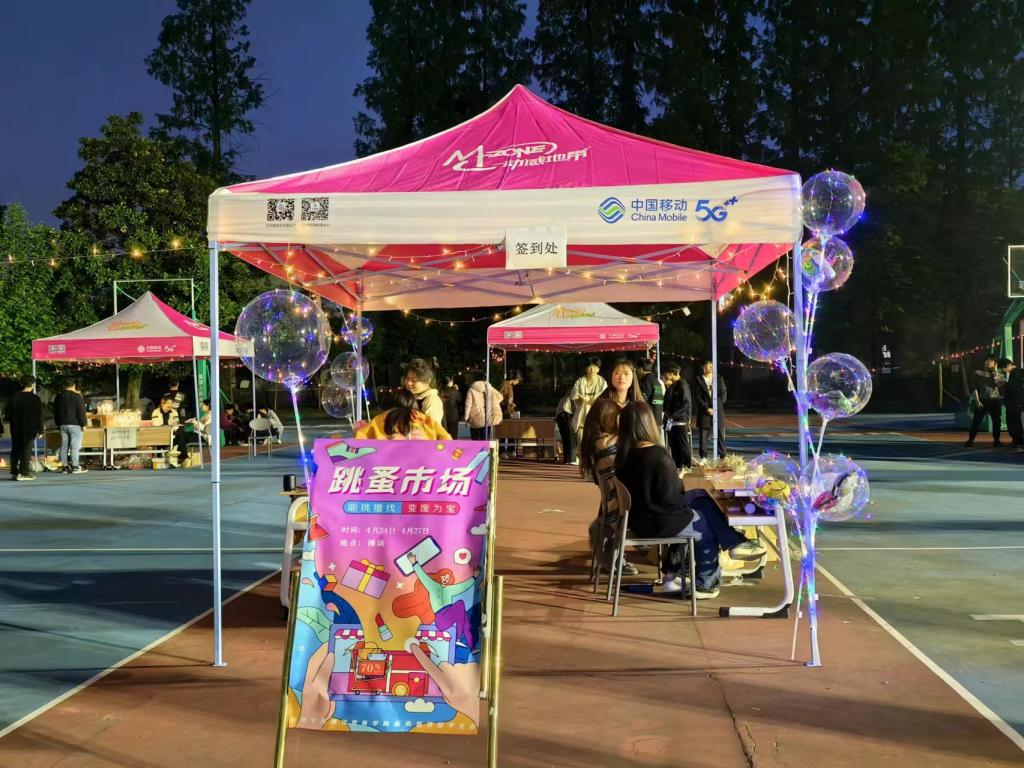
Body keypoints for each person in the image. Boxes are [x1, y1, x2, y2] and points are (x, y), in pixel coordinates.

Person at [614, 402, 764, 598]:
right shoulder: (657, 455)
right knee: (706, 525)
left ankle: (735, 542)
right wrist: (678, 480)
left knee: (700, 496)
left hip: (640, 518)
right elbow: (672, 499)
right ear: (648, 424)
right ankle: (707, 583)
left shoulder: (623, 457)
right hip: (659, 521)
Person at [357, 390, 451, 439]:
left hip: (388, 467)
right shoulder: (423, 418)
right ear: (413, 403)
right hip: (422, 467)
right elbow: (446, 438)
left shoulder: (380, 418)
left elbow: (360, 437)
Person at [6, 376, 44, 481]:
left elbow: (7, 414)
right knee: (26, 449)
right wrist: (41, 429)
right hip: (30, 427)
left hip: (16, 426)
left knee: (16, 448)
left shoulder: (14, 397)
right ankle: (24, 472)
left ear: (21, 384)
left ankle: (14, 471)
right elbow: (39, 416)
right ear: (33, 384)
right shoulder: (35, 399)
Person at [570, 358, 607, 464]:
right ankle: (583, 464)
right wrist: (580, 397)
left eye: (594, 368)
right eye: (589, 368)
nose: (592, 370)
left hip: (596, 418)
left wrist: (595, 399)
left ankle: (594, 464)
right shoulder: (580, 381)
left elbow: (605, 397)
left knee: (595, 444)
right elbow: (573, 394)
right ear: (586, 369)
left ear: (598, 369)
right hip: (582, 418)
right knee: (581, 444)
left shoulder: (602, 382)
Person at [966, 354, 1006, 447]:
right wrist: (977, 401)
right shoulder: (978, 372)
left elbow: (1000, 385)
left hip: (995, 401)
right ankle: (971, 440)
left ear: (995, 363)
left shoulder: (999, 374)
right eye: (986, 360)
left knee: (996, 422)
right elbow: (974, 387)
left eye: (991, 361)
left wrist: (996, 372)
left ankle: (996, 440)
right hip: (982, 401)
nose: (988, 362)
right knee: (976, 421)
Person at [693, 361, 727, 459]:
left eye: (712, 366)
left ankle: (722, 456)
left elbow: (723, 394)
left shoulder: (718, 378)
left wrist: (715, 408)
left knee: (720, 434)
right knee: (703, 436)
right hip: (704, 412)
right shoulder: (698, 379)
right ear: (704, 367)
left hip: (717, 411)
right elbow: (697, 396)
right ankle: (703, 457)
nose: (711, 367)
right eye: (709, 366)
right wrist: (707, 408)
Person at [54, 379, 88, 474]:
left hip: (62, 424)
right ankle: (75, 466)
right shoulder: (77, 397)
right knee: (75, 446)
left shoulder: (58, 397)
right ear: (73, 385)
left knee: (64, 445)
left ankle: (65, 467)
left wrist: (58, 423)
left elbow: (55, 411)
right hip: (75, 424)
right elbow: (81, 411)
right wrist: (84, 424)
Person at [663, 364, 693, 469]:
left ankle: (687, 466)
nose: (665, 376)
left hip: (680, 421)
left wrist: (673, 415)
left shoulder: (683, 385)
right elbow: (666, 403)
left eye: (666, 373)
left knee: (682, 445)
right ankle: (678, 465)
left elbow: (686, 403)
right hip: (671, 421)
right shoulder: (672, 386)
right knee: (674, 445)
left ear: (672, 373)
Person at [463, 372, 503, 440]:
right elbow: (500, 397)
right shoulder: (490, 388)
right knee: (485, 441)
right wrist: (492, 403)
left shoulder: (471, 389)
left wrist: (466, 418)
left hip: (475, 420)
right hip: (488, 419)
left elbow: (468, 404)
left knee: (476, 442)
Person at [404, 358, 445, 425]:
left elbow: (431, 429)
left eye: (414, 380)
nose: (408, 383)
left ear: (427, 381)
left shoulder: (431, 401)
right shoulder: (413, 397)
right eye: (407, 378)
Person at [1000, 358, 1023, 450]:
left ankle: (1017, 441)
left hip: (1015, 403)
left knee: (1014, 422)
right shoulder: (1016, 372)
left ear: (1009, 365)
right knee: (1014, 422)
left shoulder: (1016, 373)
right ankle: (1016, 441)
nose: (1003, 370)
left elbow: (1014, 388)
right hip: (1015, 402)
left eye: (1003, 368)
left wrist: (1004, 383)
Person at [638, 359, 665, 425]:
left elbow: (643, 398)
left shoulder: (646, 380)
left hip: (650, 417)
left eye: (637, 369)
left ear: (640, 369)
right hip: (657, 416)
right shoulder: (655, 380)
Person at [554, 386, 575, 464]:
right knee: (571, 439)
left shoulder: (562, 399)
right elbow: (574, 410)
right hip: (567, 418)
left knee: (565, 439)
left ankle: (566, 459)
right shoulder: (571, 399)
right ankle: (572, 459)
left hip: (560, 419)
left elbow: (557, 411)